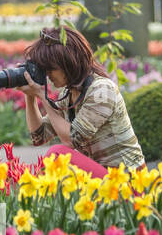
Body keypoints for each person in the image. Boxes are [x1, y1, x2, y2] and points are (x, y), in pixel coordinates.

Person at [21, 26, 145, 176]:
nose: (47, 74)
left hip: (128, 182)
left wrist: (42, 96)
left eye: (50, 68)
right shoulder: (69, 94)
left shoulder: (102, 91)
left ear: (68, 62)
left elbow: (71, 140)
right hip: (106, 178)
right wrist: (29, 95)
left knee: (58, 155)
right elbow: (39, 137)